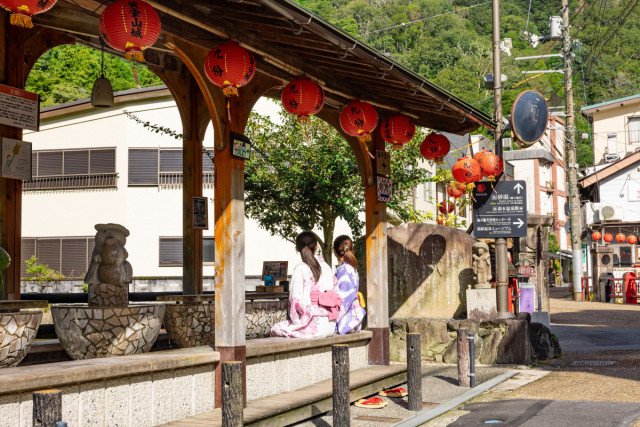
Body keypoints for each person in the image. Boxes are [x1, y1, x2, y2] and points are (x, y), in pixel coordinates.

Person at [271, 231, 340, 338]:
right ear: (317, 247)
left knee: (276, 328)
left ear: (297, 249)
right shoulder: (326, 267)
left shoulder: (300, 268)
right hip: (330, 325)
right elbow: (336, 291)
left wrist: (297, 322)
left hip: (313, 326)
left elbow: (295, 301)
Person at [333, 235, 366, 335]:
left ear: (334, 251)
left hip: (346, 322)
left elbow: (343, 298)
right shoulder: (351, 268)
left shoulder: (343, 269)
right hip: (353, 319)